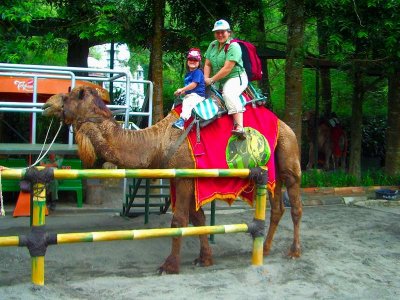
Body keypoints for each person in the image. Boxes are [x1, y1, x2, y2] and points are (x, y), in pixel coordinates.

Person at [204, 19, 249, 139]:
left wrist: (211, 80)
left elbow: (227, 69)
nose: (220, 34)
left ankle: (240, 127)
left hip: (236, 78)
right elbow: (207, 64)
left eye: (222, 32)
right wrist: (205, 78)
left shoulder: (234, 47)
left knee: (228, 93)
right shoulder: (212, 45)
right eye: (217, 32)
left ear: (229, 32)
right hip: (220, 80)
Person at [172, 48, 206, 130]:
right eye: (191, 59)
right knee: (176, 104)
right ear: (187, 61)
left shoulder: (198, 72)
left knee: (187, 102)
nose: (193, 61)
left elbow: (194, 85)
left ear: (199, 63)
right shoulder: (188, 74)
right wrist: (181, 92)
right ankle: (173, 119)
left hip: (197, 96)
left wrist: (182, 89)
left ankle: (182, 121)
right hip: (190, 95)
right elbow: (188, 88)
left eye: (195, 60)